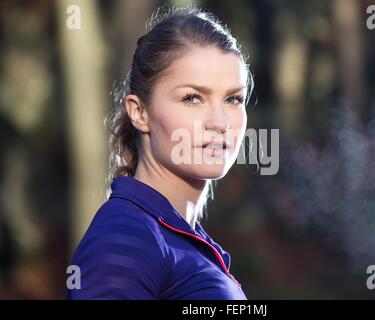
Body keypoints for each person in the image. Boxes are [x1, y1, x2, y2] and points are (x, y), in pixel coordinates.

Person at [67, 6, 254, 300]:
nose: (220, 122)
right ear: (139, 113)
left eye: (233, 99)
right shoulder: (125, 235)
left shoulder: (177, 236)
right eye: (192, 98)